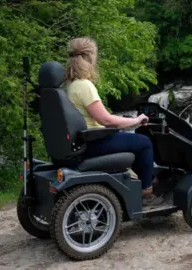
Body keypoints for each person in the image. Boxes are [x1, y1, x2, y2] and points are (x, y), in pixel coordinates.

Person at [64, 37, 162, 206]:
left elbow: (98, 117)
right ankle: (146, 192)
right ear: (91, 58)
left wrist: (126, 121)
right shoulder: (84, 86)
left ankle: (145, 180)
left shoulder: (69, 85)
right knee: (144, 142)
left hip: (82, 141)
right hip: (93, 142)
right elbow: (107, 120)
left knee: (132, 141)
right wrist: (137, 120)